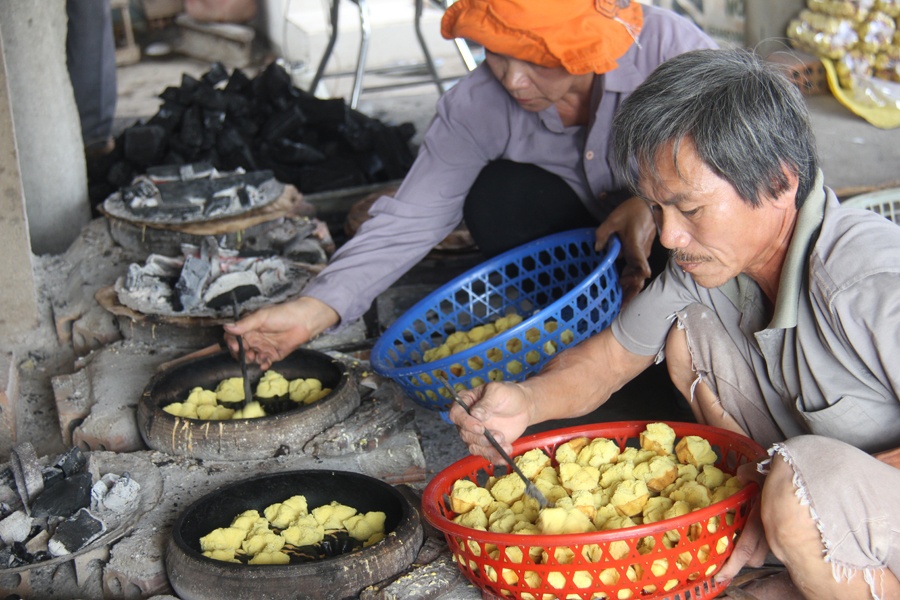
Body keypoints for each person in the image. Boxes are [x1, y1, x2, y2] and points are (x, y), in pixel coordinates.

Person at [450, 48, 900, 600]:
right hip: (829, 493)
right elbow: (614, 356)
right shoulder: (714, 265)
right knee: (688, 333)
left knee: (802, 487)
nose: (667, 238)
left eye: (690, 209)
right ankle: (799, 540)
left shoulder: (870, 282)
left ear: (782, 181)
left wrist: (801, 495)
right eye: (656, 209)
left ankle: (799, 529)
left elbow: (814, 480)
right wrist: (525, 400)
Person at [224, 0, 716, 369]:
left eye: (534, 60)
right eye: (497, 56)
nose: (513, 81)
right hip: (583, 244)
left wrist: (651, 207)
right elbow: (411, 218)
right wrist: (313, 310)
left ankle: (674, 331)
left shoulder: (667, 50)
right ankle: (583, 327)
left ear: (586, 46)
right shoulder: (476, 104)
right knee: (496, 196)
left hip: (683, 243)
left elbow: (744, 168)